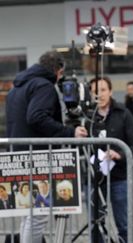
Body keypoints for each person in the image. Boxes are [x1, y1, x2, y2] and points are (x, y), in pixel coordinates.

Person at [6, 51, 88, 243]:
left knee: (29, 214)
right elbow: (36, 117)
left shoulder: (18, 86)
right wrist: (70, 132)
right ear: (58, 70)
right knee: (38, 215)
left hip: (19, 156)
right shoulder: (43, 85)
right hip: (38, 157)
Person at [90, 77, 133, 243]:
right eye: (95, 91)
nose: (100, 94)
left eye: (103, 90)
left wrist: (118, 154)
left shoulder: (123, 113)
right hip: (93, 179)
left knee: (123, 223)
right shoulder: (86, 118)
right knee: (96, 225)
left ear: (111, 92)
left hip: (118, 177)